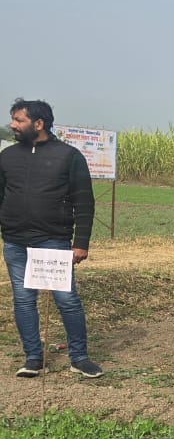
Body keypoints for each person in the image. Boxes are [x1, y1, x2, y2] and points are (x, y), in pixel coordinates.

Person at [0, 99, 103, 378]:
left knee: (66, 299)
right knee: (23, 300)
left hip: (52, 241)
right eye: (13, 119)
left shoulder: (68, 156)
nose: (13, 125)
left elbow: (84, 202)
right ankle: (33, 357)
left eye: (19, 120)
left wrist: (81, 242)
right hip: (15, 243)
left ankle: (79, 357)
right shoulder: (7, 157)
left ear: (39, 124)